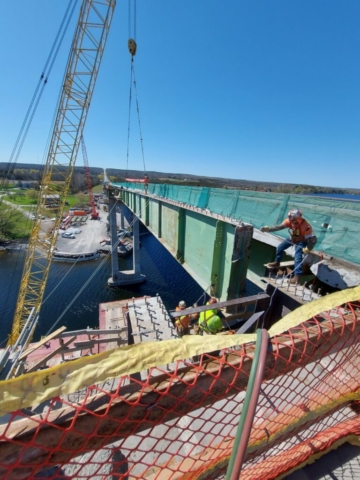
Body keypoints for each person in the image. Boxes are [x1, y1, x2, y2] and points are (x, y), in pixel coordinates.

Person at [260, 209, 317, 284]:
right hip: (293, 237)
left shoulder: (306, 226)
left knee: (298, 257)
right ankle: (277, 262)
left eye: (293, 221)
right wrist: (268, 229)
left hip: (302, 240)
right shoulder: (289, 220)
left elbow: (313, 239)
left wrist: (308, 248)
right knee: (280, 247)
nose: (292, 223)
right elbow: (278, 227)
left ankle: (297, 277)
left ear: (298, 219)